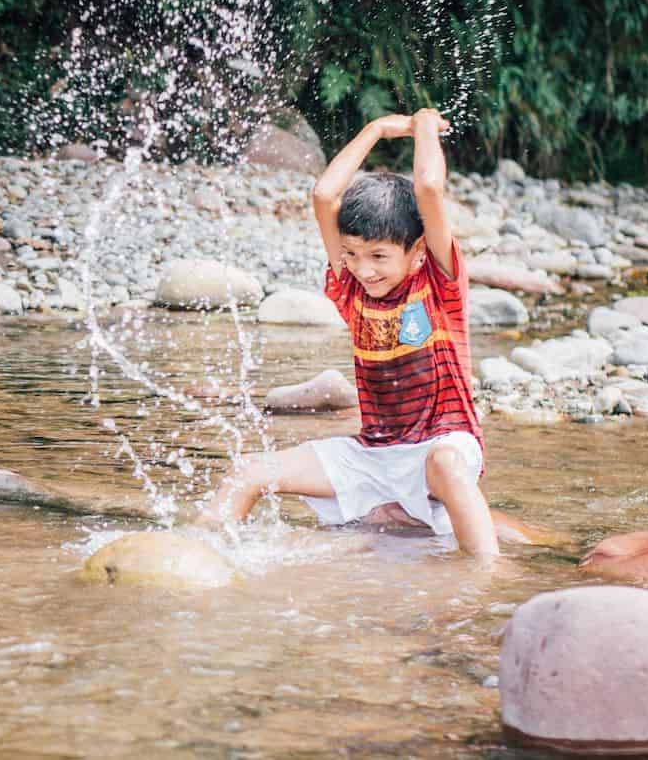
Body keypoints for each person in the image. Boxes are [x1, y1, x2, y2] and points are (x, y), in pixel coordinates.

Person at [197, 108, 499, 563]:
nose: (363, 268)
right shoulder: (348, 287)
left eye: (379, 255)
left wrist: (422, 125)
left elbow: (430, 188)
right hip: (373, 454)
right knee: (248, 472)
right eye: (352, 253)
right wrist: (375, 129)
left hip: (442, 446)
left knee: (444, 464)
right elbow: (323, 195)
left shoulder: (439, 284)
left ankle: (485, 575)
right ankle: (196, 557)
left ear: (417, 253)